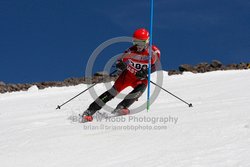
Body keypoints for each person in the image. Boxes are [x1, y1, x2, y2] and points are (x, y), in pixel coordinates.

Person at [81, 28, 161, 122]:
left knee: (139, 89)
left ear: (147, 41)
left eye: (141, 43)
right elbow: (120, 60)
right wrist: (120, 64)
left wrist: (146, 71)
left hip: (140, 78)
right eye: (135, 42)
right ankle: (89, 111)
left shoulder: (154, 52)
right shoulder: (131, 51)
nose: (138, 46)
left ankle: (122, 106)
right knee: (112, 93)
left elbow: (155, 66)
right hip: (127, 76)